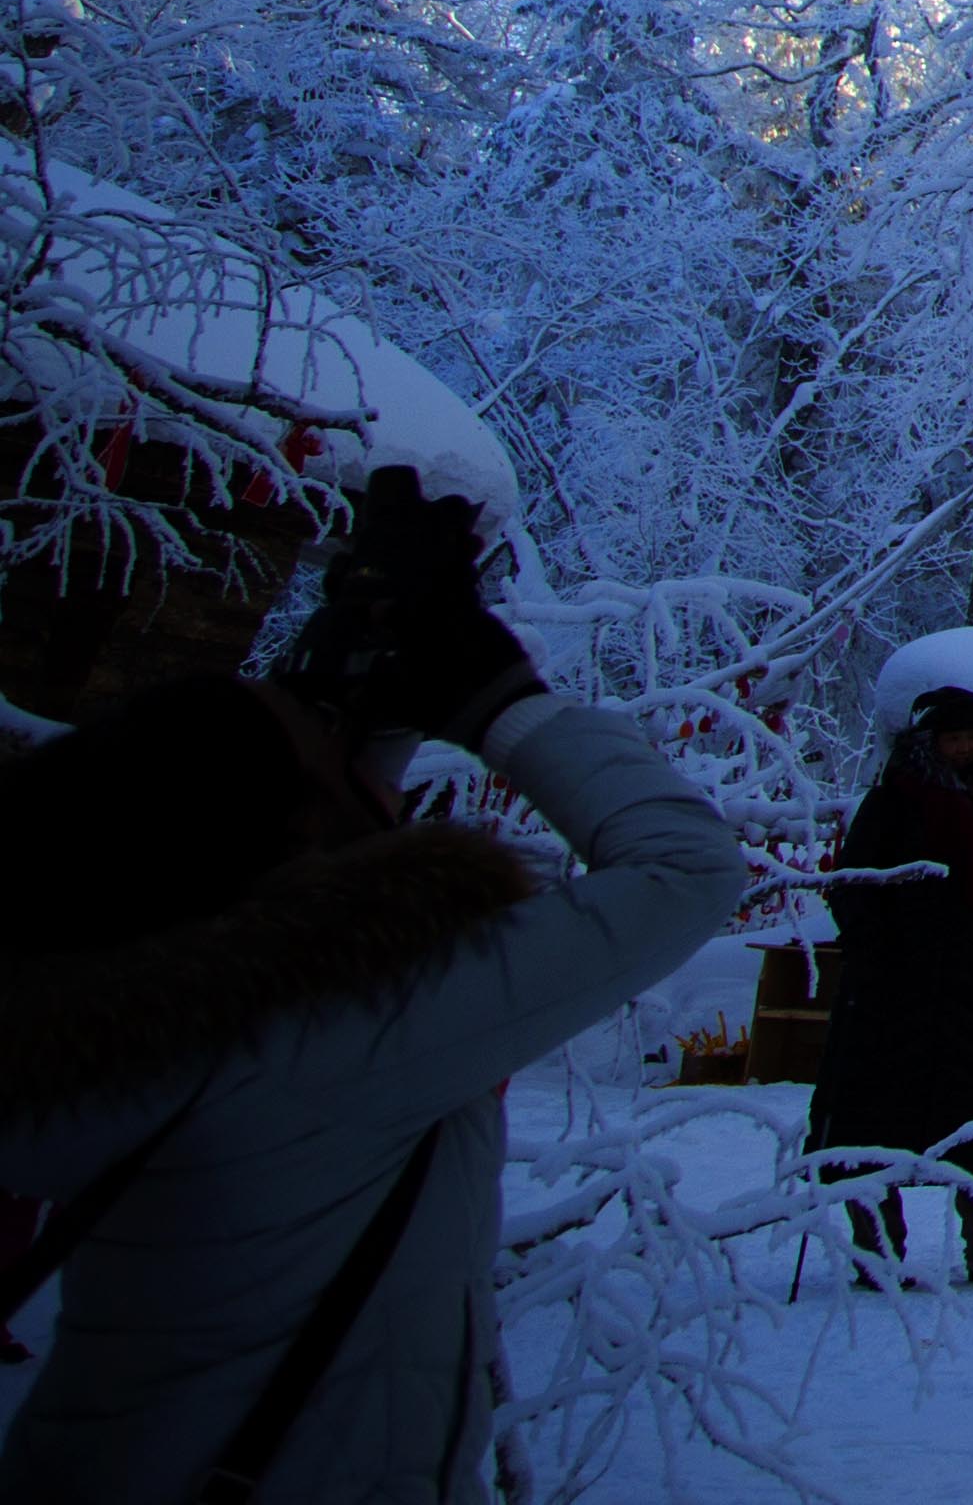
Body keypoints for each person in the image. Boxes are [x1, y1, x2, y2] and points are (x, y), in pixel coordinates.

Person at [0, 466, 742, 1505]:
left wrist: (356, 666)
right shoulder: (342, 1038)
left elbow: (294, 823)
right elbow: (686, 868)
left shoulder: (106, 1016)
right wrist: (501, 701)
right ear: (293, 835)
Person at [805, 685, 973, 1285]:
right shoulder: (890, 804)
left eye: (970, 739)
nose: (962, 749)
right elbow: (852, 884)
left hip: (963, 994)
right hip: (888, 994)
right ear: (928, 743)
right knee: (871, 1121)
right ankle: (876, 1252)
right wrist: (875, 947)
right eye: (951, 739)